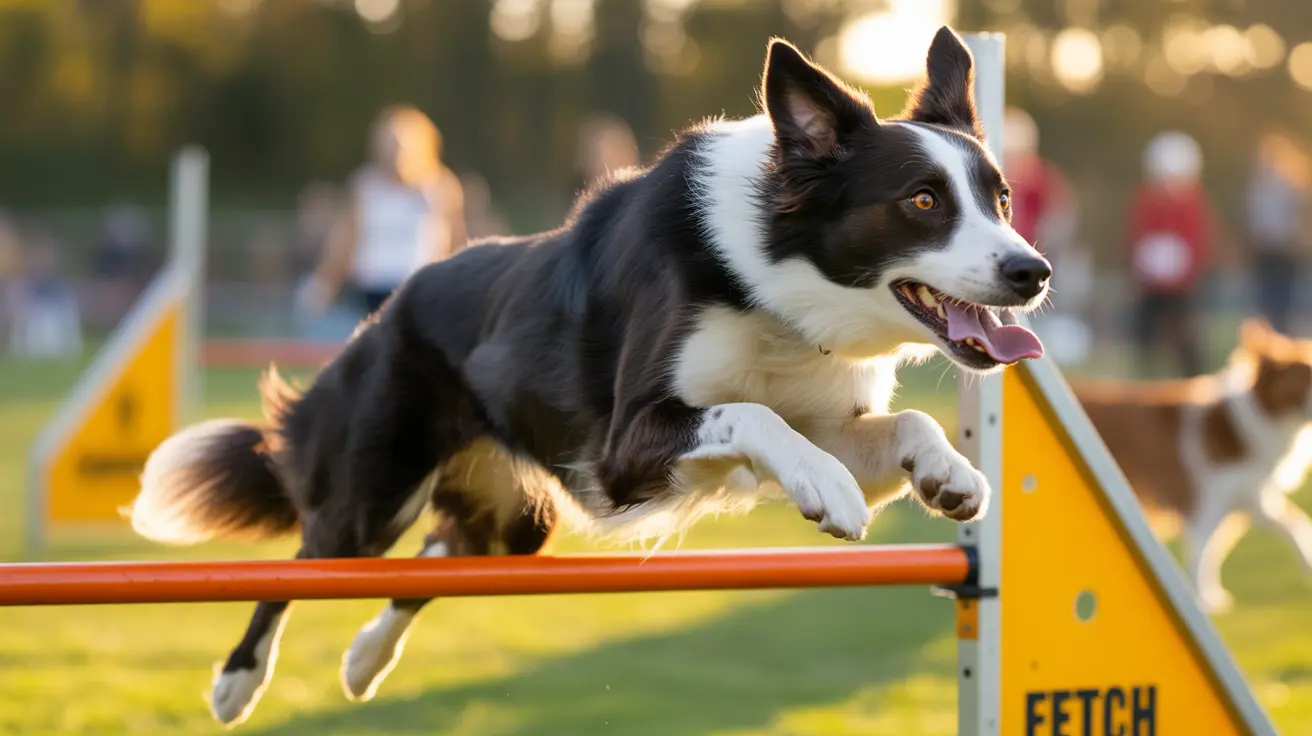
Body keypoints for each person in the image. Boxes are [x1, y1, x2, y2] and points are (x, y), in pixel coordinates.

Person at [296, 105, 467, 319]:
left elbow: (453, 242)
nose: (396, 152)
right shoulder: (365, 186)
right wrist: (324, 282)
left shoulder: (440, 187)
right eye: (390, 144)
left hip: (417, 289)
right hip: (371, 289)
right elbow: (346, 238)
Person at [1003, 107, 1090, 365]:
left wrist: (1042, 243)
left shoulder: (1042, 178)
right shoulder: (995, 175)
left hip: (1040, 256)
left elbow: (1061, 216)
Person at [1124, 131, 1215, 378]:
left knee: (1187, 336)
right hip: (1151, 284)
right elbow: (1136, 234)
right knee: (1145, 336)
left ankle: (1194, 377)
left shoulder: (1194, 201)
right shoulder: (1146, 198)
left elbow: (1199, 240)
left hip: (1182, 286)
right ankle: (1145, 379)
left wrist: (1189, 271)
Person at [1244, 129, 1309, 335]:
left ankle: (1284, 346)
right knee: (1265, 304)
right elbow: (1252, 218)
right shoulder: (1257, 185)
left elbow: (1300, 218)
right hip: (1265, 252)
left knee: (1285, 304)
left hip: (1286, 252)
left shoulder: (1293, 185)